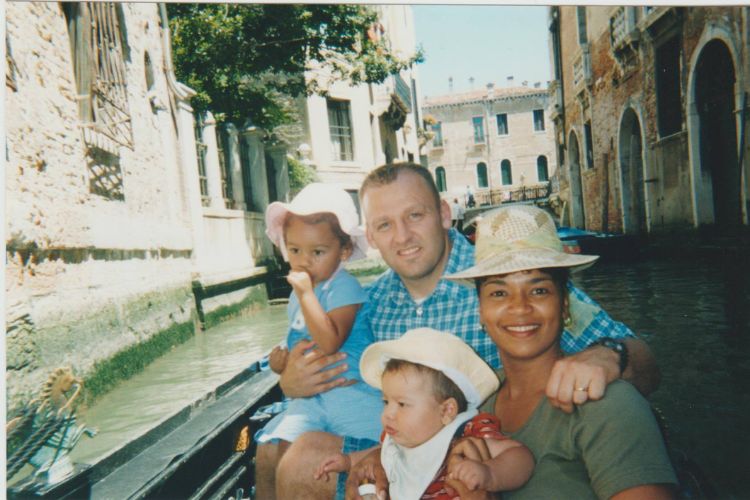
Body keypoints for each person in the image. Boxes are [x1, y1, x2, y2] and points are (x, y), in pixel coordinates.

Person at [270, 163, 659, 499]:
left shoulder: (502, 275)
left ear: (442, 213)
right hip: (417, 456)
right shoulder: (370, 303)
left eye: (415, 216)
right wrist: (291, 380)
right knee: (296, 458)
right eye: (384, 225)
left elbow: (644, 362)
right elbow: (336, 360)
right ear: (370, 237)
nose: (402, 237)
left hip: (508, 455)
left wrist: (607, 354)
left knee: (303, 462)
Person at [443, 205, 677, 498]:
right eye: (499, 293)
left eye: (538, 290)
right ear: (481, 311)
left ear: (564, 305)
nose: (520, 307)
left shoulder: (607, 404)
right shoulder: (476, 402)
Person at [254, 183, 384, 499]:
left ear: (343, 251)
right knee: (269, 449)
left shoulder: (344, 288)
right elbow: (301, 341)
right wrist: (282, 363)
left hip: (352, 392)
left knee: (328, 458)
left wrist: (306, 293)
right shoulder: (300, 297)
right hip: (314, 398)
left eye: (317, 252)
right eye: (295, 250)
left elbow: (329, 342)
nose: (303, 262)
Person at [315, 328, 534, 499]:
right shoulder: (401, 434)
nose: (388, 414)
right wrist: (348, 461)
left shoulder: (466, 434)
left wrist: (490, 474)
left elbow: (521, 457)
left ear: (447, 411)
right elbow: (386, 452)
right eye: (385, 401)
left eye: (402, 404)